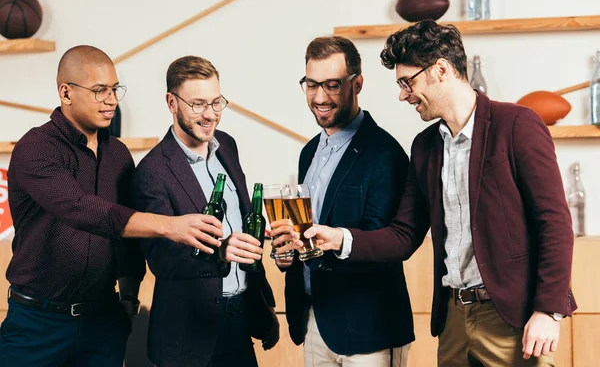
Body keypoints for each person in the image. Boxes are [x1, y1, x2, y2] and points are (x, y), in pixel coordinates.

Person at [302, 21, 577, 366]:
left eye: (408, 81)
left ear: (441, 70)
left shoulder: (517, 125)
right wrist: (339, 239)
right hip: (453, 319)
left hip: (513, 319)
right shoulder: (425, 147)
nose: (403, 94)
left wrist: (548, 310)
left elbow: (553, 222)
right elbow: (403, 235)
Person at [0, 45, 225, 366]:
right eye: (99, 91)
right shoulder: (36, 148)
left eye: (114, 89)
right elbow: (80, 209)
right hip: (38, 323)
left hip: (103, 321)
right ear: (66, 92)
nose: (111, 100)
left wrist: (129, 297)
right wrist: (169, 225)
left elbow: (126, 242)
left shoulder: (118, 154)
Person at [269, 36, 413, 367]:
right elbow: (308, 232)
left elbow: (383, 241)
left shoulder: (385, 153)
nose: (320, 97)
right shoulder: (309, 152)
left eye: (332, 85)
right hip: (315, 320)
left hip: (368, 328)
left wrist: (327, 240)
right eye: (311, 85)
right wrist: (287, 252)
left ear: (357, 83)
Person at [131, 55, 279, 367]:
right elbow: (163, 260)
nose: (210, 114)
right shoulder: (152, 171)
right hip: (188, 336)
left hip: (240, 320)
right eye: (198, 104)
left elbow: (244, 221)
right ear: (172, 103)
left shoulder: (227, 145)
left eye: (216, 102)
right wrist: (220, 252)